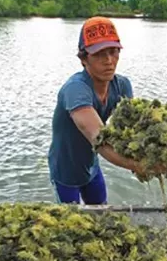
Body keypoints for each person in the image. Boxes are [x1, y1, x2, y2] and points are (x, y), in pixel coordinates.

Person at [47, 16, 145, 205]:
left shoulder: (122, 86)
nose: (109, 60)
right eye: (99, 54)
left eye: (113, 51)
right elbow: (100, 140)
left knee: (101, 213)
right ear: (84, 58)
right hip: (65, 170)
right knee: (71, 223)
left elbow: (132, 130)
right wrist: (139, 166)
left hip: (91, 166)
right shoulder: (75, 90)